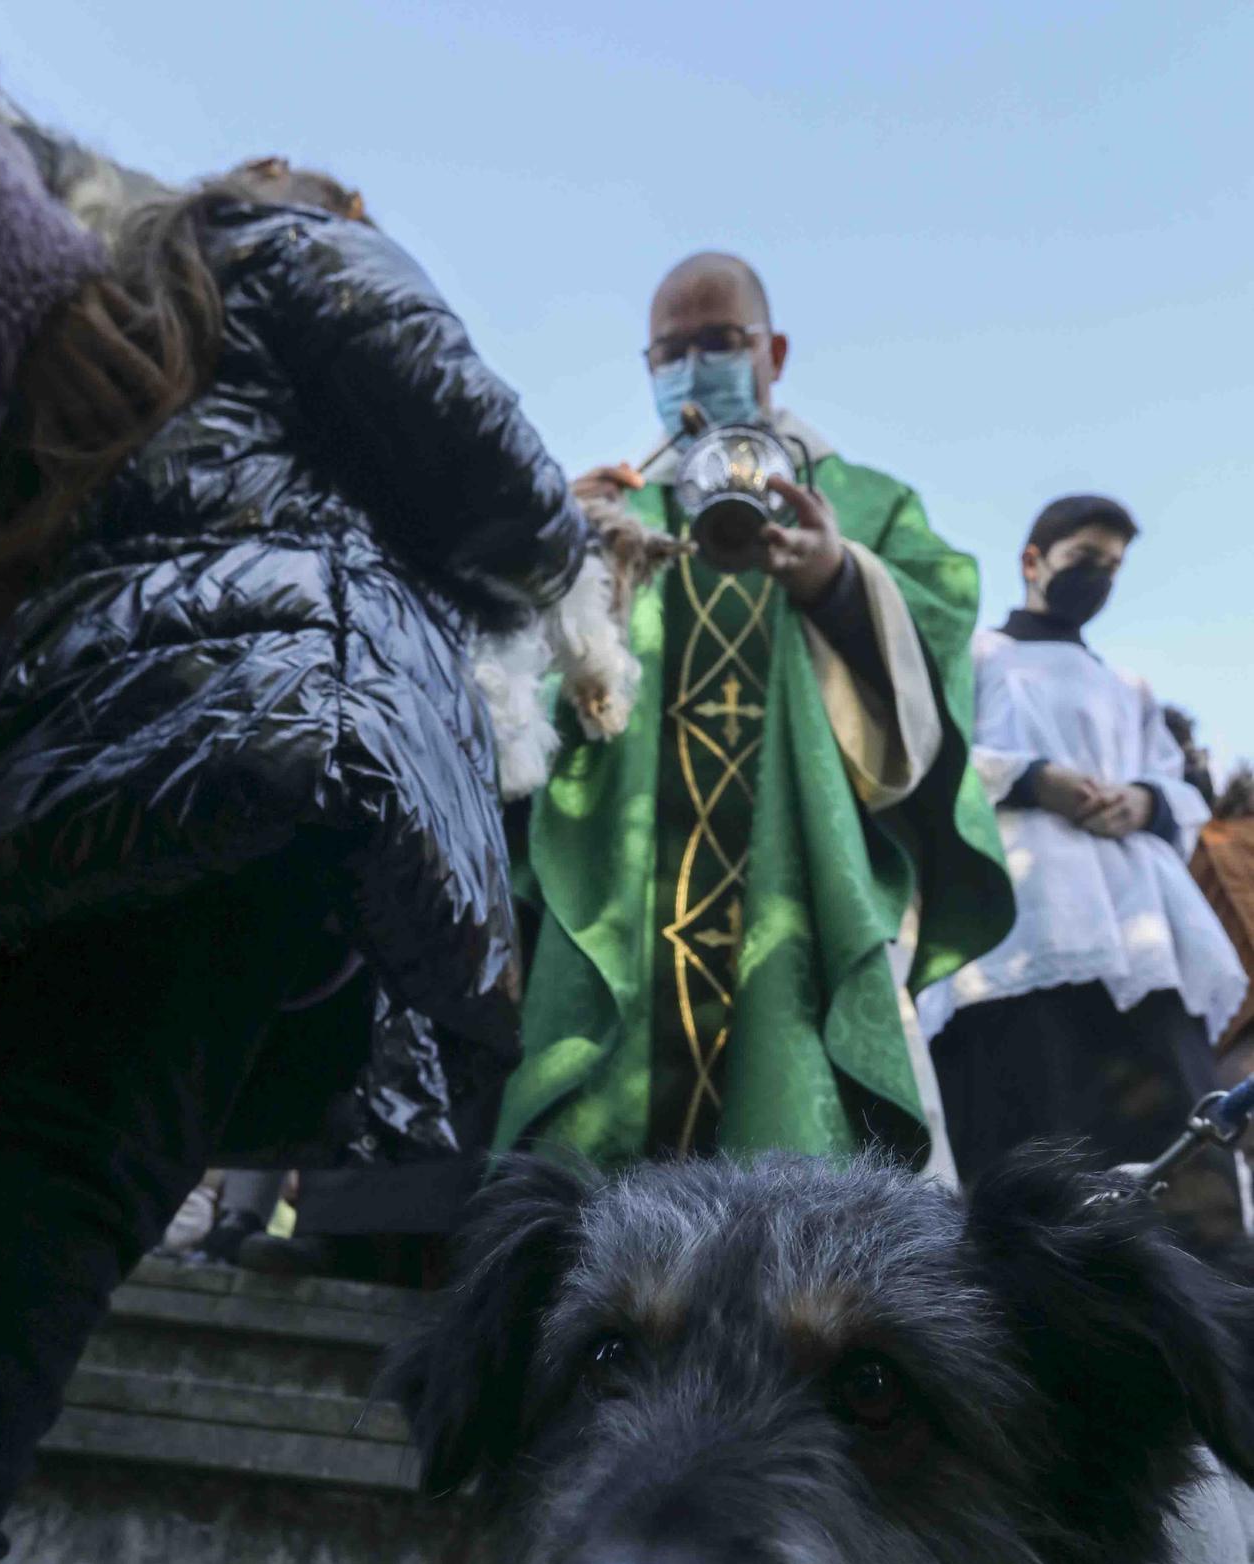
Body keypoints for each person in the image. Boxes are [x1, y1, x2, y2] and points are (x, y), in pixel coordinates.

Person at [0, 0, 583, 1564]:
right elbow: (516, 506)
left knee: (47, 1167)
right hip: (253, 759)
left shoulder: (110, 322)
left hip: (67, 777)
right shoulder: (295, 242)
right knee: (59, 1216)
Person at [494, 250, 1011, 1168]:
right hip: (621, 869)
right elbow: (521, 687)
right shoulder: (617, 505)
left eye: (719, 342)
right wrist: (552, 561)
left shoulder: (859, 503)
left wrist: (841, 582)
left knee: (788, 1149)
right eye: (670, 351)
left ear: (771, 350)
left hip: (796, 877)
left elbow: (935, 640)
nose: (693, 367)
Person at [919, 495, 1248, 1242]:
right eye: (1081, 560)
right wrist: (1035, 778)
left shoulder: (1125, 687)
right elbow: (928, 759)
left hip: (1136, 942)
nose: (1096, 577)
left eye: (1109, 567)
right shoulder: (973, 657)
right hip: (1014, 937)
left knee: (1179, 1160)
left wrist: (1142, 800)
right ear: (1032, 561)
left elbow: (1171, 786)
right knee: (1026, 1153)